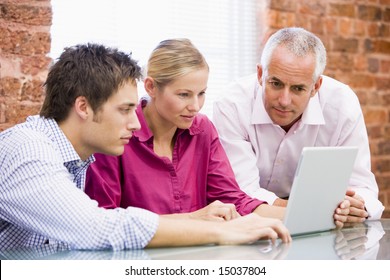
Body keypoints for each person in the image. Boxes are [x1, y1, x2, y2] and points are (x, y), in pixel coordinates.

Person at [0, 43, 291, 251]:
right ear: (83, 107)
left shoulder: (75, 159)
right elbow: (98, 227)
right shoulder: (28, 151)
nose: (136, 123)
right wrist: (219, 231)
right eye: (125, 110)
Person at [85, 39, 286, 221]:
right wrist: (193, 219)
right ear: (151, 87)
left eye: (201, 93)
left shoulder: (202, 130)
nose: (195, 106)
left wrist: (300, 216)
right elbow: (105, 220)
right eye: (184, 94)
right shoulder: (116, 134)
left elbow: (233, 200)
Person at [213, 27, 384, 226]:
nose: (284, 101)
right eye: (275, 84)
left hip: (323, 227)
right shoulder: (232, 104)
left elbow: (363, 186)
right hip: (249, 225)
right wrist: (320, 209)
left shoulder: (342, 104)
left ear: (316, 87)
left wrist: (356, 207)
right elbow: (240, 191)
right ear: (260, 74)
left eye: (298, 88)